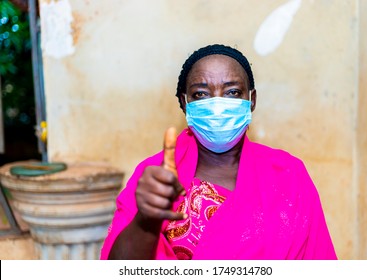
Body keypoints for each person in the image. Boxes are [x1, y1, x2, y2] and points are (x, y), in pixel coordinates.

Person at [100, 44, 337, 260]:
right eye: (201, 94)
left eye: (232, 92)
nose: (217, 105)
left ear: (251, 100)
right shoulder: (157, 176)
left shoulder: (287, 175)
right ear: (184, 103)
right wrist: (146, 220)